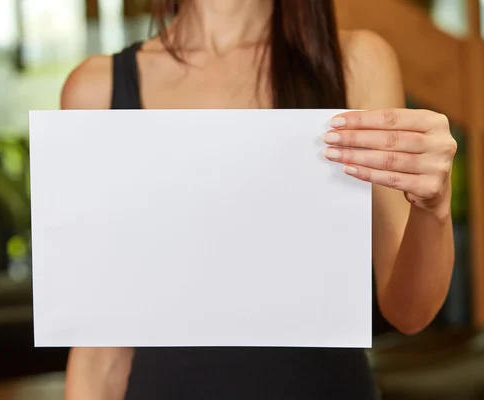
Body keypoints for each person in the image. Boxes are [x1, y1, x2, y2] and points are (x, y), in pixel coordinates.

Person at [60, 0, 457, 398]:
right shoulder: (96, 92)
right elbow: (100, 351)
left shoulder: (356, 62)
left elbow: (409, 313)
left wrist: (433, 207)